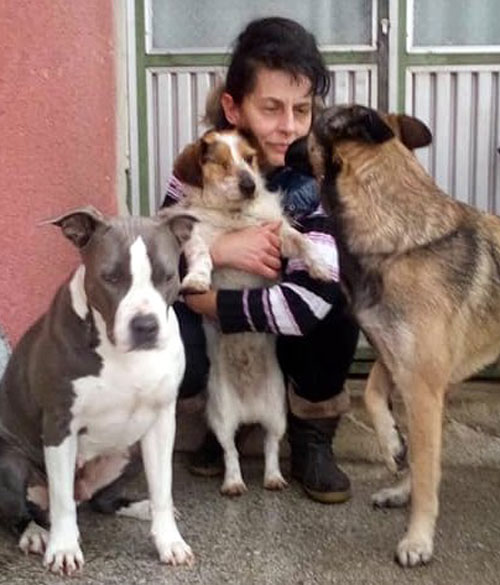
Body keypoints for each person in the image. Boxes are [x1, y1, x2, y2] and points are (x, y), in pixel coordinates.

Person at [161, 17, 359, 504]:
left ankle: (311, 428)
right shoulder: (200, 165)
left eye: (301, 109)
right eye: (271, 108)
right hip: (220, 336)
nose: (288, 126)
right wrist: (221, 252)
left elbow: (313, 297)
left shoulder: (318, 179)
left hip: (283, 333)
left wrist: (209, 302)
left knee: (339, 298)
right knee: (165, 328)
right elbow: (157, 263)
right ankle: (221, 418)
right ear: (234, 106)